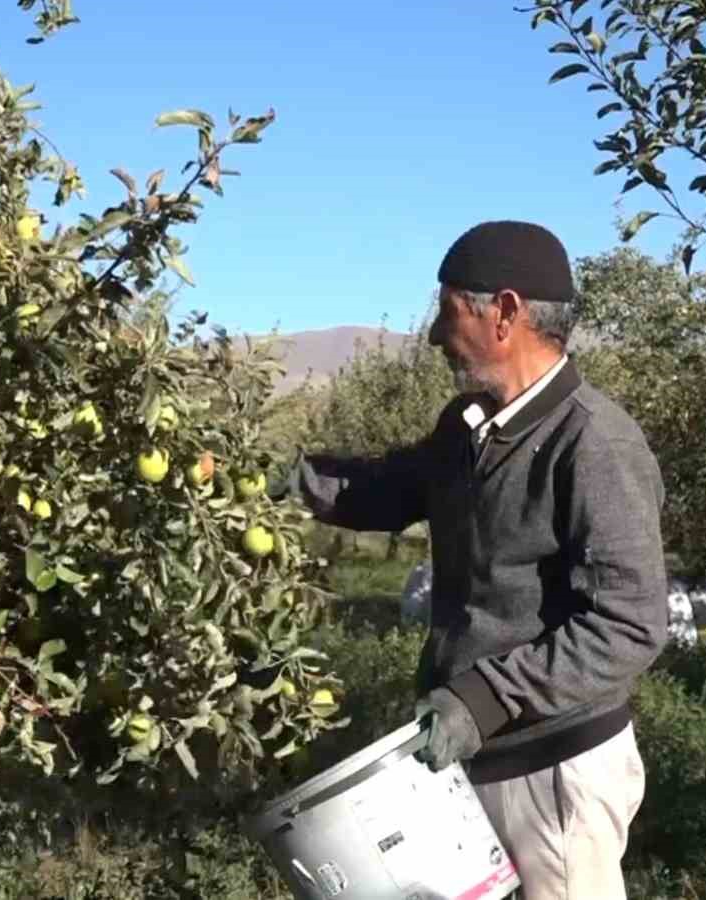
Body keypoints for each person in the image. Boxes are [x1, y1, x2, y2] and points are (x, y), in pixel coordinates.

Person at [287, 220, 668, 900]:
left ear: (507, 313)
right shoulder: (467, 427)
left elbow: (630, 625)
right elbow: (391, 488)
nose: (435, 335)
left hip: (556, 769)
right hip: (476, 755)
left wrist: (484, 699)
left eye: (448, 312)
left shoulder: (593, 442)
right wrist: (282, 480)